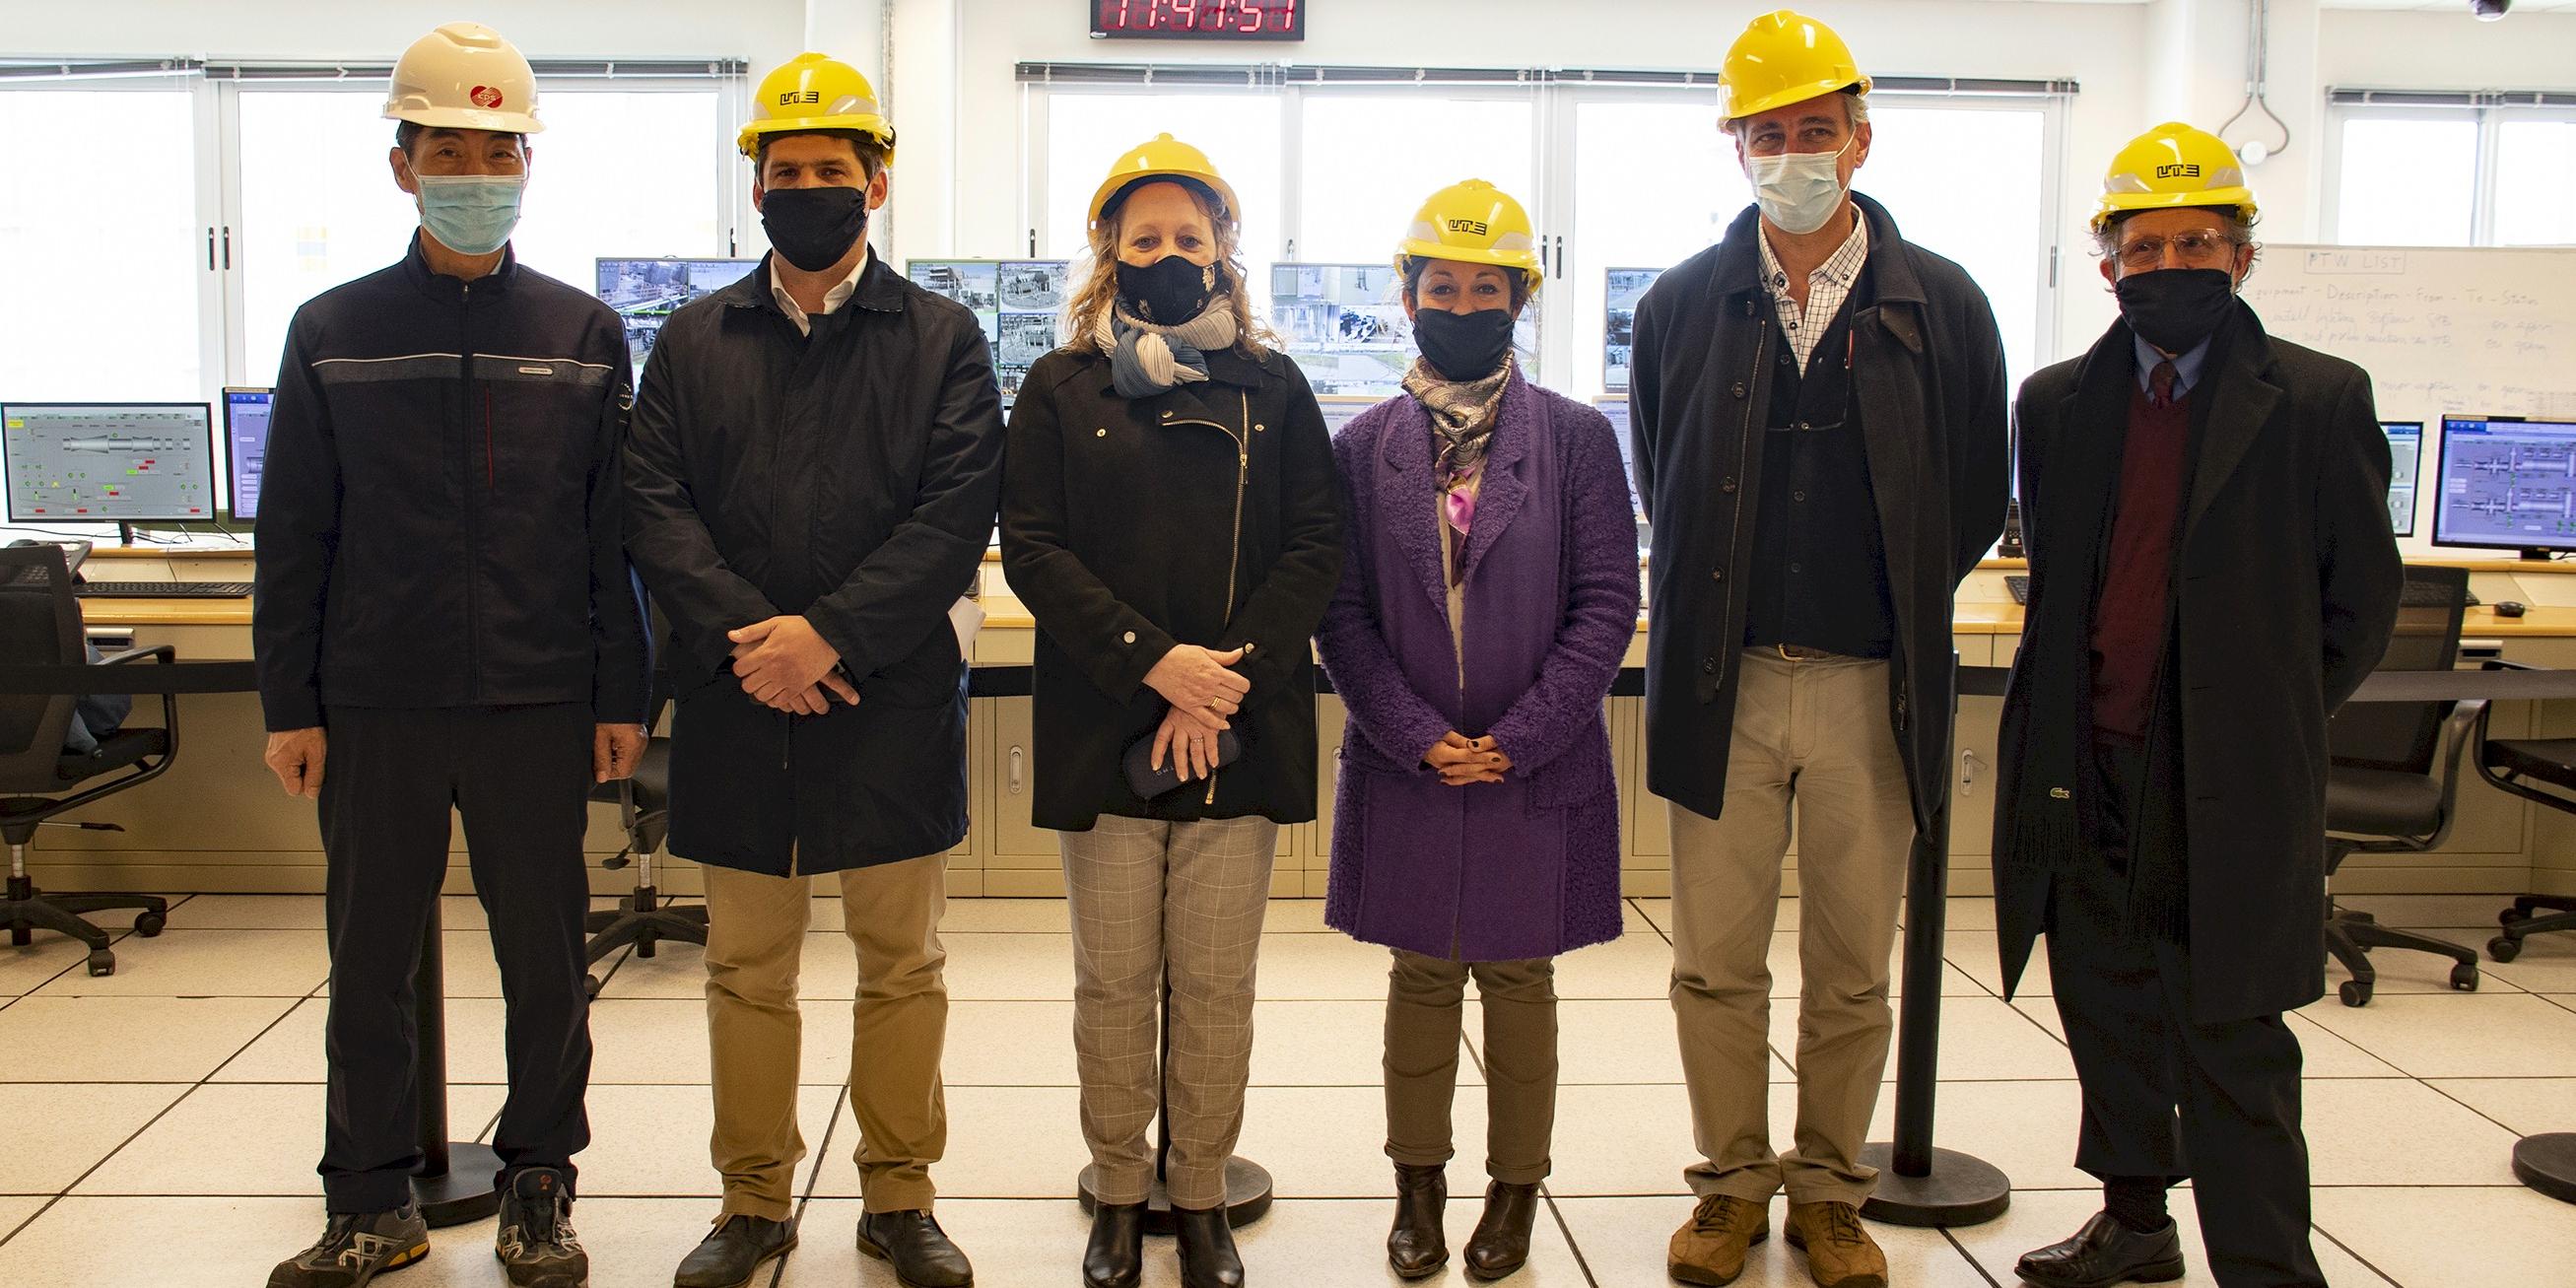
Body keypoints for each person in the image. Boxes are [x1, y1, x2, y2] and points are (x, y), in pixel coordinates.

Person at [253, 23, 647, 1288]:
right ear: (402, 164)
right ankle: (368, 1199)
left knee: (546, 960)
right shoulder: (332, 329)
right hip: (377, 700)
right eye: (449, 148)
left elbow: (611, 538)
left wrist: (620, 691)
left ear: (526, 162)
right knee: (369, 961)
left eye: (498, 149)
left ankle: (540, 1183)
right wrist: (290, 701)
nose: (475, 168)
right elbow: (295, 532)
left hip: (538, 696)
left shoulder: (583, 332)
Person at [1628, 11, 2010, 1287]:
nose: (1791, 153)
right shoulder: (1683, 302)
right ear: (1735, 146)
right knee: (1714, 962)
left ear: (1859, 136)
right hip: (1721, 682)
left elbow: (1967, 497)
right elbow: (1660, 472)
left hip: (1869, 684)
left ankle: (1832, 1189)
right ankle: (1733, 1184)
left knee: (1854, 963)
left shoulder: (1941, 302)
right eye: (1767, 134)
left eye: (1812, 130)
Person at [1995, 122, 2402, 1288]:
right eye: (2148, 242)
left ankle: (2268, 1265)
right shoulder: (2057, 402)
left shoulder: (2316, 400)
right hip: (2085, 760)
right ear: (2106, 257)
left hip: (2225, 775)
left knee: (2231, 1035)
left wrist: (2263, 719)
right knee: (2105, 1003)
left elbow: (2360, 600)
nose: (2173, 263)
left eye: (2200, 241)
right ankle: (2135, 1220)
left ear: (2241, 256)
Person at [623, 52, 1001, 1288]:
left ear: (875, 185)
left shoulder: (942, 338)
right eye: (784, 172)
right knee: (746, 967)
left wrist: (828, 633)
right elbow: (655, 504)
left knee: (902, 962)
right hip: (741, 700)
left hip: (884, 696)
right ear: (756, 188)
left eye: (829, 171)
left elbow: (954, 511)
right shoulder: (691, 339)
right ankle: (751, 1200)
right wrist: (758, 640)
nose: (805, 188)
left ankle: (900, 1194)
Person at [999, 135, 1343, 1288]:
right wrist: (1158, 667)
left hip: (1235, 724)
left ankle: (1197, 1190)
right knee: (1112, 981)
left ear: (1223, 251)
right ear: (1107, 249)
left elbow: (1314, 545)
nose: (1166, 256)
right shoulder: (1059, 387)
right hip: (1109, 720)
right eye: (1143, 238)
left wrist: (1219, 675)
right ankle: (1114, 1187)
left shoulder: (1274, 385)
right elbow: (1034, 549)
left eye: (1187, 238)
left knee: (1212, 981)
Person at [1315, 178, 1640, 1283]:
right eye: (1441, 285)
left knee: (1517, 978)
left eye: (1484, 287)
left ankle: (1514, 1189)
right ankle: (1417, 1183)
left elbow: (1607, 600)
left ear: (1519, 299)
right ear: (1407, 298)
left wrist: (1528, 729)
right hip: (1409, 761)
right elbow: (1341, 611)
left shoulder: (1579, 439)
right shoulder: (1361, 448)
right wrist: (1412, 730)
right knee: (1417, 976)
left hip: (1530, 762)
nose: (1462, 304)